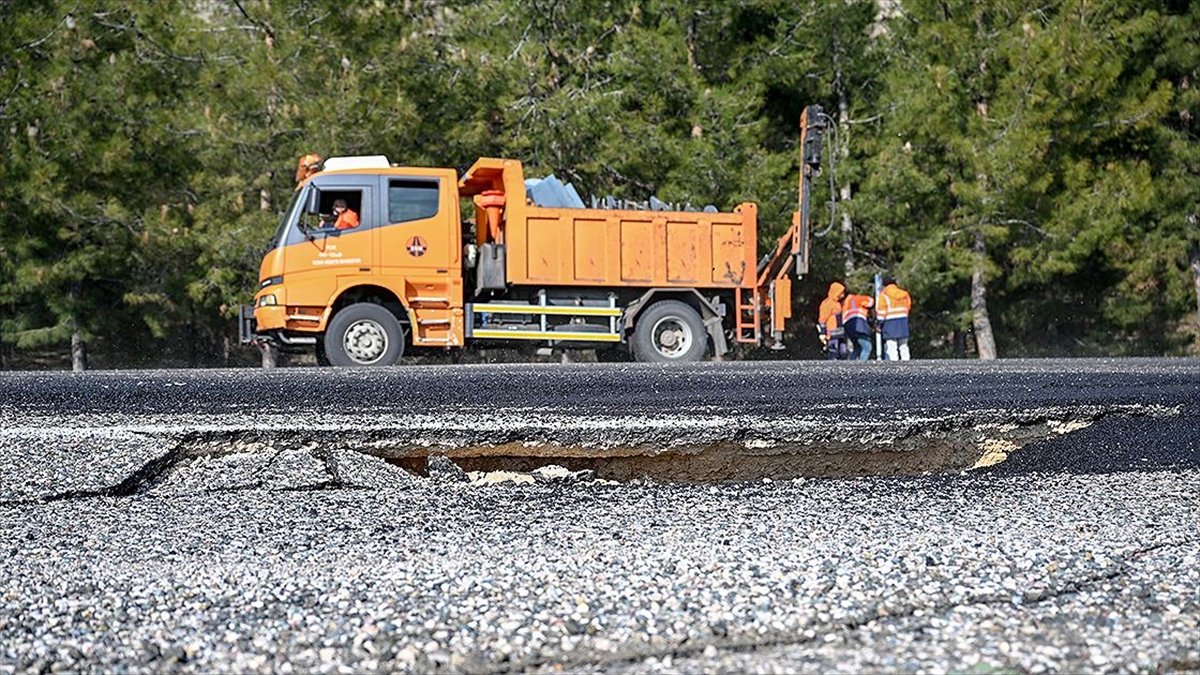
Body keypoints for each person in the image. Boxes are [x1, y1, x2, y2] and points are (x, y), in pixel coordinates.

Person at [877, 276, 912, 360]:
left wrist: (879, 325)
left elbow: (881, 313)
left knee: (892, 347)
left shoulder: (884, 295)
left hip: (890, 324)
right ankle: (908, 366)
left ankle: (895, 368)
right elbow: (908, 307)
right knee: (903, 346)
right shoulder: (904, 294)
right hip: (902, 322)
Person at [817, 281, 847, 360]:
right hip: (832, 333)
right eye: (841, 293)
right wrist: (822, 333)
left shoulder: (837, 303)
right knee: (833, 352)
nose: (843, 295)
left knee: (843, 353)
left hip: (840, 333)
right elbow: (822, 319)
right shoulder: (827, 304)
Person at [842, 289, 874, 361]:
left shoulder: (845, 303)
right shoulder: (857, 298)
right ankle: (861, 367)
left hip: (848, 326)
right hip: (859, 324)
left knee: (857, 347)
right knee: (867, 347)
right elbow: (870, 301)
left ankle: (851, 366)